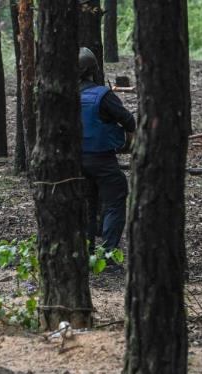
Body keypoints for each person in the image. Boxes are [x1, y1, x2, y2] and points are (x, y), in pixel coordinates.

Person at [79, 47, 135, 253]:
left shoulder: (61, 96)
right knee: (115, 200)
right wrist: (126, 143)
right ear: (93, 70)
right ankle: (108, 255)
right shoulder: (102, 95)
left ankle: (87, 252)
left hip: (74, 161)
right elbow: (129, 121)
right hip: (102, 160)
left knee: (86, 204)